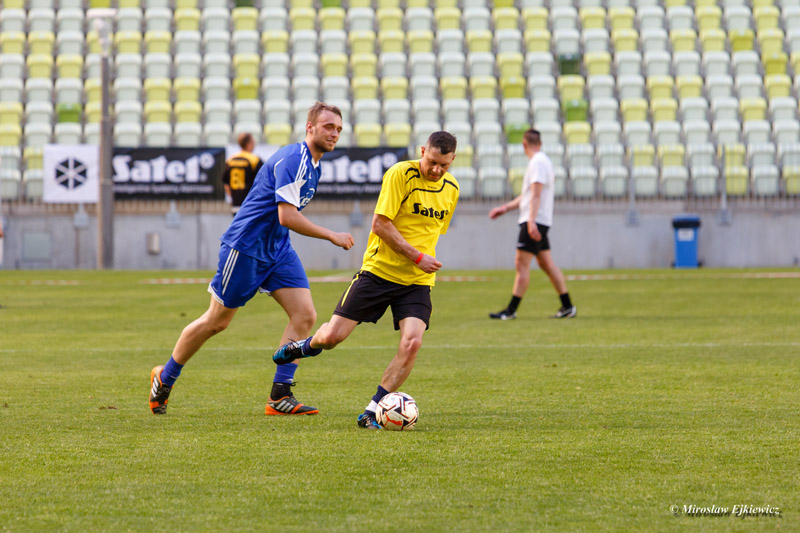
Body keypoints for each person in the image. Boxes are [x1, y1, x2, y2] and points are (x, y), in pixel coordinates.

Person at [149, 102, 355, 415]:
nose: (334, 133)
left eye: (338, 129)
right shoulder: (294, 159)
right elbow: (287, 216)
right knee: (217, 322)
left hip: (277, 249)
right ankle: (164, 378)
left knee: (304, 315)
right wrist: (331, 235)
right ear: (310, 127)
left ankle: (280, 395)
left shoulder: (314, 165)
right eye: (328, 127)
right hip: (245, 248)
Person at [271, 131, 460, 429]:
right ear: (423, 151)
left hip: (417, 282)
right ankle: (305, 346)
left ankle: (373, 410)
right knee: (332, 338)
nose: (437, 170)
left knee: (412, 342)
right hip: (378, 272)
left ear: (452, 161)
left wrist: (420, 263)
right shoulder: (400, 174)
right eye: (432, 162)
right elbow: (380, 224)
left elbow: (430, 231)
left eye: (444, 165)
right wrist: (417, 257)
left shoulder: (452, 188)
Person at [488, 128, 576, 320]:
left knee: (521, 264)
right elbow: (528, 196)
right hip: (539, 220)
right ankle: (568, 306)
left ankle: (510, 311)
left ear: (524, 144)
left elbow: (536, 195)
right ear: (540, 143)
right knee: (546, 263)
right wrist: (505, 208)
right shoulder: (542, 161)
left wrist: (531, 221)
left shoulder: (537, 162)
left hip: (534, 220)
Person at [222, 133, 263, 216]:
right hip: (251, 205)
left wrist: (234, 196)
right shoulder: (255, 160)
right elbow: (262, 182)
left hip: (235, 204)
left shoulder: (230, 160)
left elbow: (226, 183)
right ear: (249, 144)